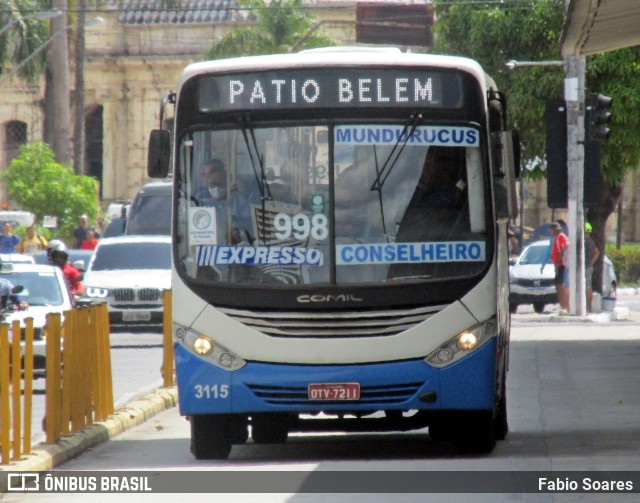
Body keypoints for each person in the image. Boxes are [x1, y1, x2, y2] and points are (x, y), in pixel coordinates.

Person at [549, 221, 570, 314]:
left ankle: (565, 307)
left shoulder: (560, 237)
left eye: (551, 230)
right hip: (559, 265)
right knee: (558, 286)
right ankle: (562, 306)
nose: (551, 232)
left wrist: (557, 261)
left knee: (561, 286)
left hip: (561, 265)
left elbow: (562, 250)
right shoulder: (557, 237)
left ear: (554, 229)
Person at [584, 221, 601, 312]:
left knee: (581, 286)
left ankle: (582, 306)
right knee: (588, 286)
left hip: (582, 267)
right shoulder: (591, 241)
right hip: (589, 266)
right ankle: (589, 307)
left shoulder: (581, 240)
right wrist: (592, 262)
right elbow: (597, 252)